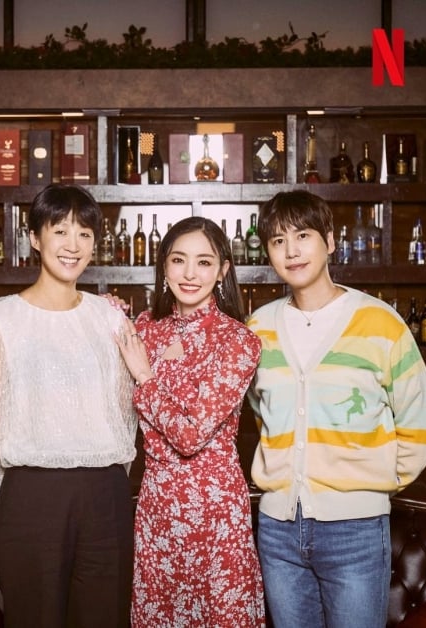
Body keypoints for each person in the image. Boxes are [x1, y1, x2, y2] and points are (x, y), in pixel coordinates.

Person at [246, 190, 426, 628]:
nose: (291, 251)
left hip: (356, 530)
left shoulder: (380, 322)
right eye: (278, 241)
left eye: (303, 236)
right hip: (277, 530)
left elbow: (421, 419)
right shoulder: (258, 329)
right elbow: (264, 414)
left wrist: (372, 485)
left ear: (330, 241)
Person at [0, 183, 138, 628]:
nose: (72, 245)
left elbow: (125, 412)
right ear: (34, 238)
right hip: (32, 494)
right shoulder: (1, 320)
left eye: (84, 233)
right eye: (60, 230)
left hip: (105, 492)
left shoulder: (110, 318)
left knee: (104, 617)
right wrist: (1, 502)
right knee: (34, 617)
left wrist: (109, 477)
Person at [115, 216, 265, 627]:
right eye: (179, 260)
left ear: (222, 270)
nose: (190, 273)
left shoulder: (238, 341)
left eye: (204, 262)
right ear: (164, 266)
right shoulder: (145, 330)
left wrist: (145, 377)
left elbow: (190, 434)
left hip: (214, 507)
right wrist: (105, 310)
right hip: (157, 504)